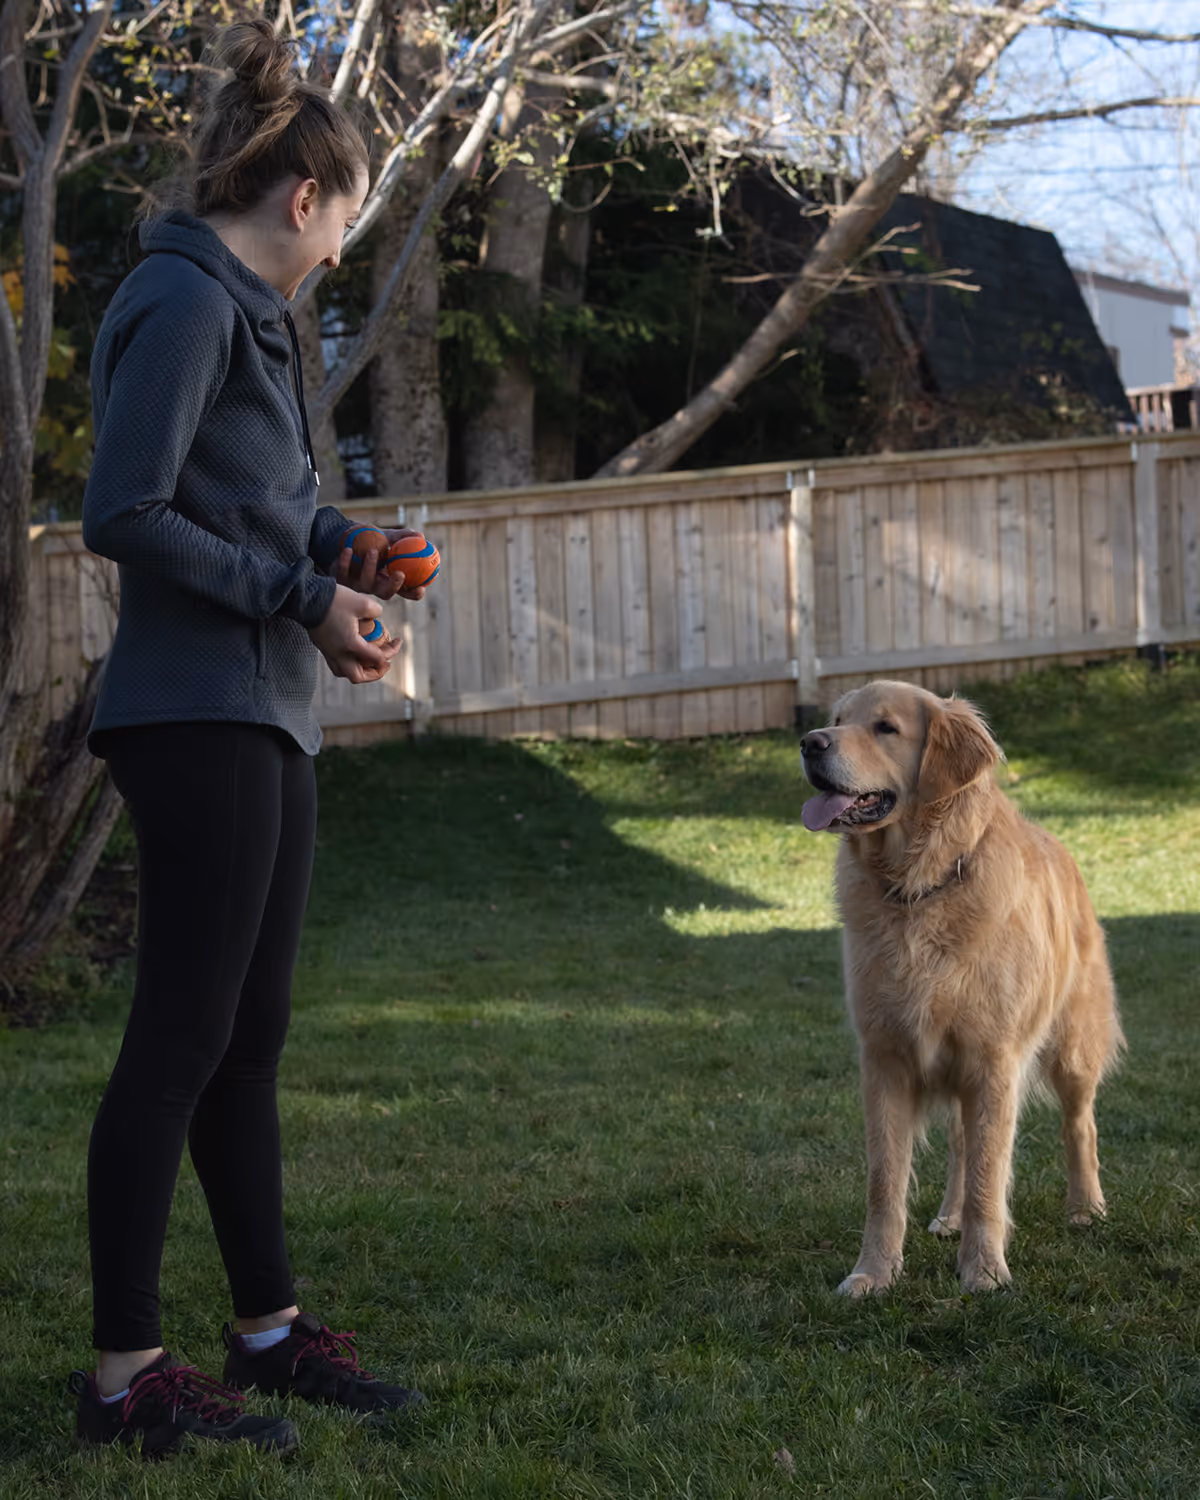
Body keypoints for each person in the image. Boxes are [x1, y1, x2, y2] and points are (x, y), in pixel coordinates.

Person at [68, 19, 425, 1458]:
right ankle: (123, 1378)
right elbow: (125, 514)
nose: (341, 253)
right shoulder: (186, 300)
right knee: (179, 1039)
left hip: (263, 707)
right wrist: (299, 592)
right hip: (193, 709)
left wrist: (352, 553)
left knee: (246, 1040)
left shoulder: (250, 318)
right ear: (302, 202)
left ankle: (267, 1330)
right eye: (345, 223)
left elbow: (259, 509)